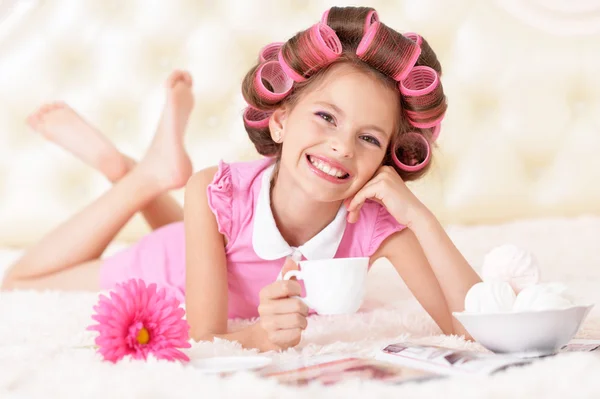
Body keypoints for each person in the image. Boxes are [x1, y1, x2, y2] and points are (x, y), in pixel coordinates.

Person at [2, 6, 482, 352]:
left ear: (385, 162)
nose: (342, 147)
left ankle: (143, 172)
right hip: (168, 266)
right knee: (20, 282)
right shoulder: (217, 191)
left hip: (210, 232)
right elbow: (206, 338)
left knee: (208, 217)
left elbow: (477, 327)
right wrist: (257, 336)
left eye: (369, 139)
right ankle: (136, 177)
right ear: (279, 121)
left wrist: (420, 217)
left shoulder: (377, 222)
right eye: (326, 117)